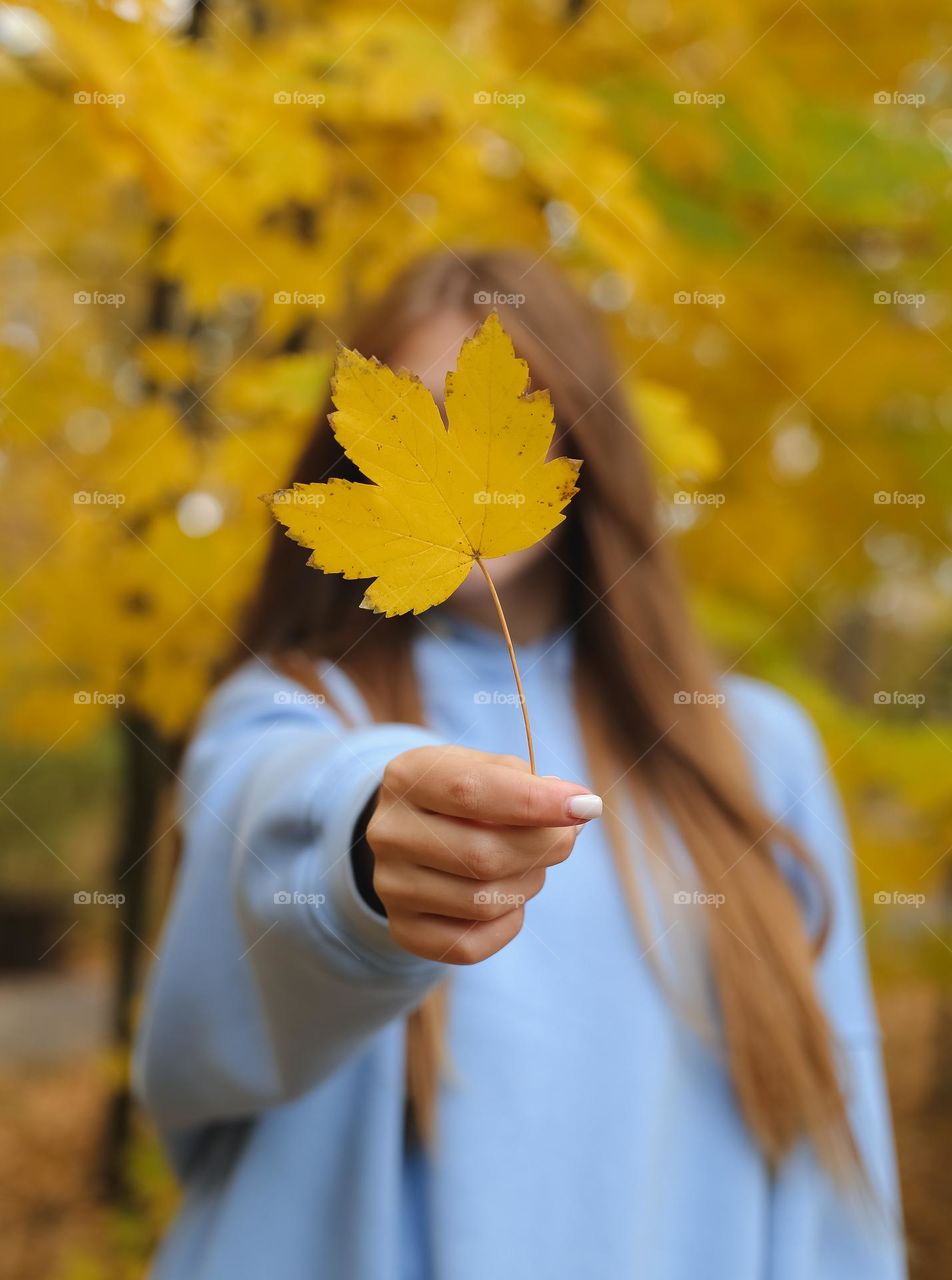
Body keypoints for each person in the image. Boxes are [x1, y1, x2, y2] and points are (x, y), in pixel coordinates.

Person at [134, 249, 905, 1279]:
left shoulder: (750, 748)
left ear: (583, 429)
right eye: (413, 413)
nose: (461, 456)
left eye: (496, 407)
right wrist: (365, 850)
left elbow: (834, 1131)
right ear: (350, 457)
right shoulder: (295, 710)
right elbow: (275, 813)